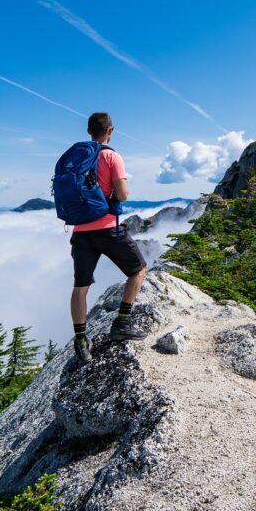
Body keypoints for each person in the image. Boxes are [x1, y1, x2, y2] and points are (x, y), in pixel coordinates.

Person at [70, 111, 148, 364]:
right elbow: (122, 194)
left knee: (80, 288)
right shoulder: (112, 156)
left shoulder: (76, 158)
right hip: (106, 228)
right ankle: (121, 325)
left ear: (88, 132)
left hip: (80, 231)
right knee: (138, 270)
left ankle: (81, 341)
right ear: (111, 131)